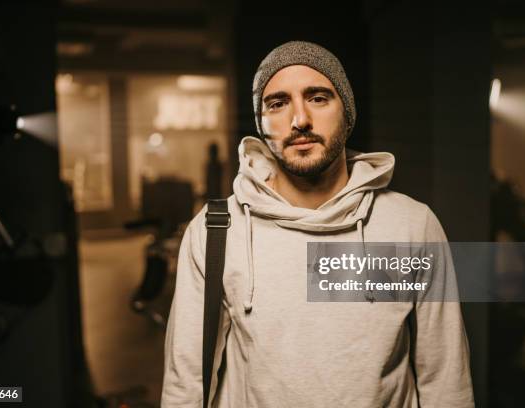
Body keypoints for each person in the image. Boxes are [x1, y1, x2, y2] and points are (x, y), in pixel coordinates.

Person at [161, 41, 474, 407]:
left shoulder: (411, 226)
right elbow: (186, 386)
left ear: (347, 112)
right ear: (261, 124)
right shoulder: (217, 232)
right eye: (277, 103)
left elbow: (446, 379)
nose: (300, 120)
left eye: (319, 97)